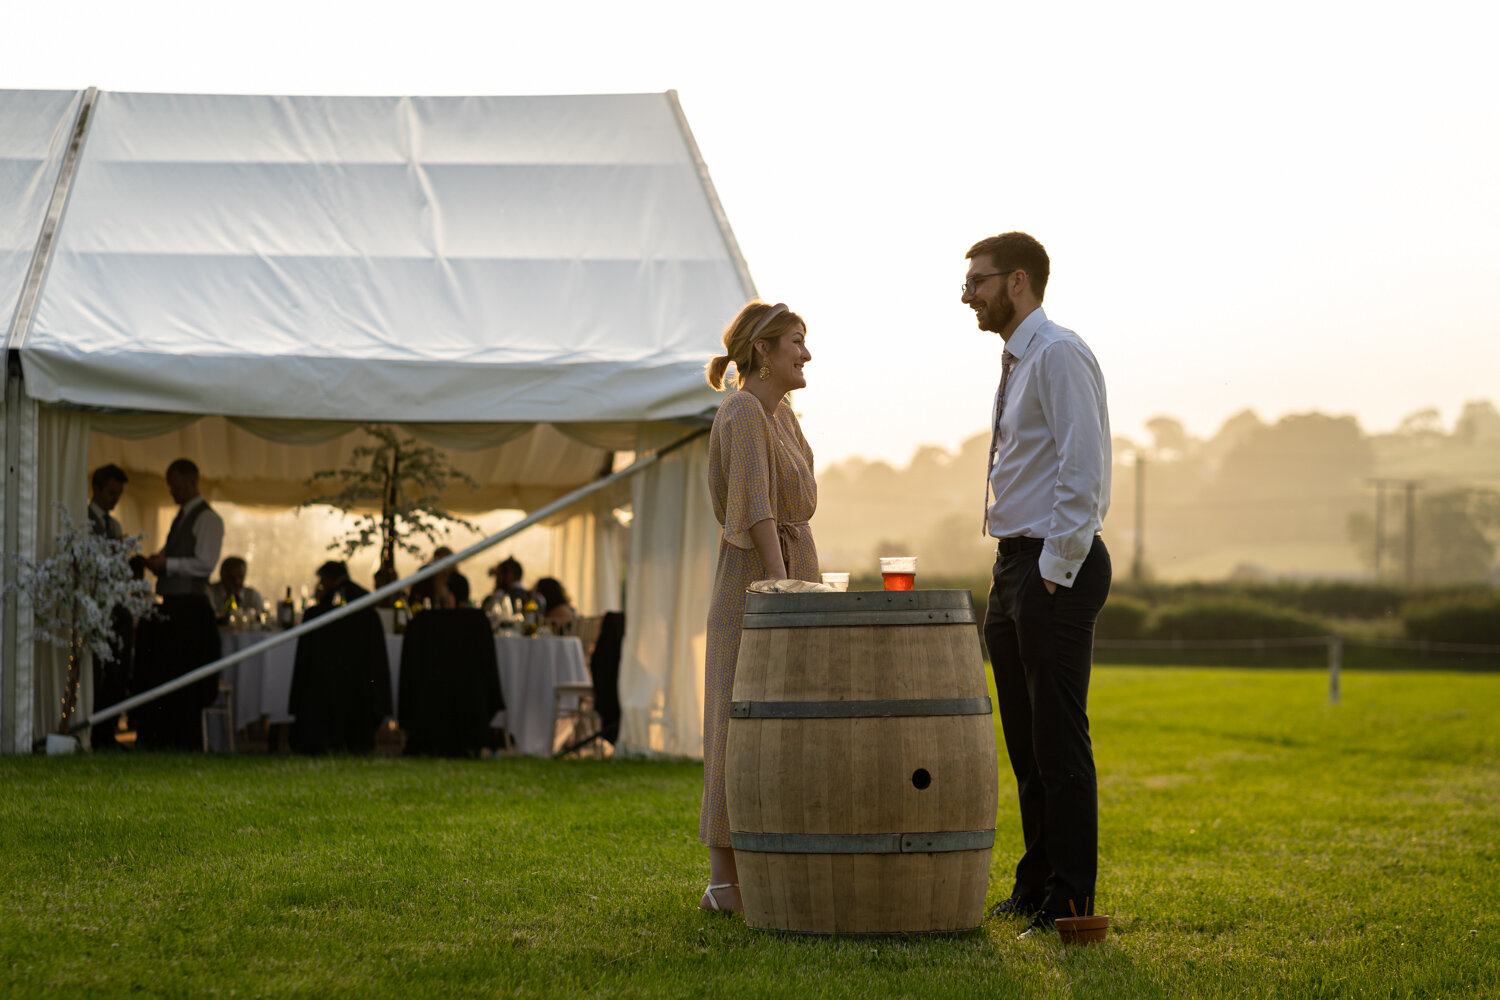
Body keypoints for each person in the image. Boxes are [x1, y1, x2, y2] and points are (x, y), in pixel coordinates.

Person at [961, 233, 1112, 936]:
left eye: (979, 282)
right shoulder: (1017, 360)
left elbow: (1084, 471)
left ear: (1017, 282)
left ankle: (1071, 899)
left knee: (1058, 743)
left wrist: (1051, 573)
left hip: (1055, 567)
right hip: (1012, 564)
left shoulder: (1058, 355)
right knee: (1025, 745)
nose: (969, 295)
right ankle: (1035, 883)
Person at [699, 300, 819, 914]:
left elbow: (793, 507)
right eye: (796, 342)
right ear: (763, 351)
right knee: (736, 726)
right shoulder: (744, 409)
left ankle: (776, 864)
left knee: (788, 727)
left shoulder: (784, 415)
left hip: (793, 572)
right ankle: (724, 884)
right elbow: (754, 509)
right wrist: (782, 587)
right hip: (754, 585)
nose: (806, 353)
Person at [137, 458, 225, 749]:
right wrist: (156, 560)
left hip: (191, 608)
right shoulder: (181, 517)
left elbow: (205, 564)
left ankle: (183, 739)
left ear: (191, 482)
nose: (172, 492)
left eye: (175, 486)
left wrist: (168, 564)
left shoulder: (208, 519)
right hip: (173, 605)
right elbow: (174, 553)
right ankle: (162, 736)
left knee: (183, 677)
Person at [87, 463, 131, 749]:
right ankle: (90, 728)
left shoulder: (114, 525)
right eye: (111, 492)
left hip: (112, 602)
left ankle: (108, 730)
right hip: (90, 604)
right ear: (97, 489)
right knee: (91, 670)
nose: (114, 499)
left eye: (119, 494)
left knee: (118, 666)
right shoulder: (83, 519)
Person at [207, 556, 266, 621]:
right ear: (222, 575)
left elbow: (262, 617)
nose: (237, 582)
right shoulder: (209, 593)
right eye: (232, 577)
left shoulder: (252, 595)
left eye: (240, 577)